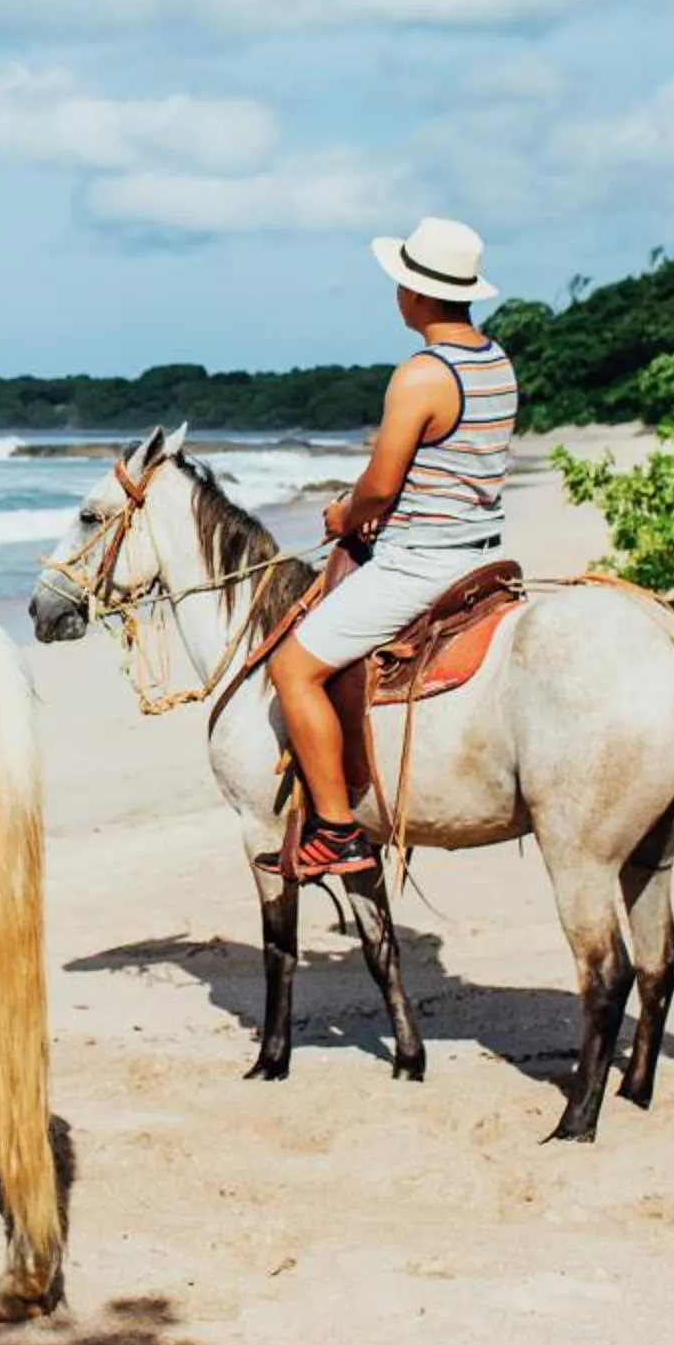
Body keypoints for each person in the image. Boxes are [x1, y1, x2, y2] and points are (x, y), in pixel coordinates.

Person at [258, 216, 516, 882]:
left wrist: (345, 513)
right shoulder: (495, 361)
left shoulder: (421, 375)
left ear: (418, 293)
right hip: (481, 552)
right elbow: (449, 468)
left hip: (422, 562)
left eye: (400, 283)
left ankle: (338, 830)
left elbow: (378, 486)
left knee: (293, 669)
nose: (396, 294)